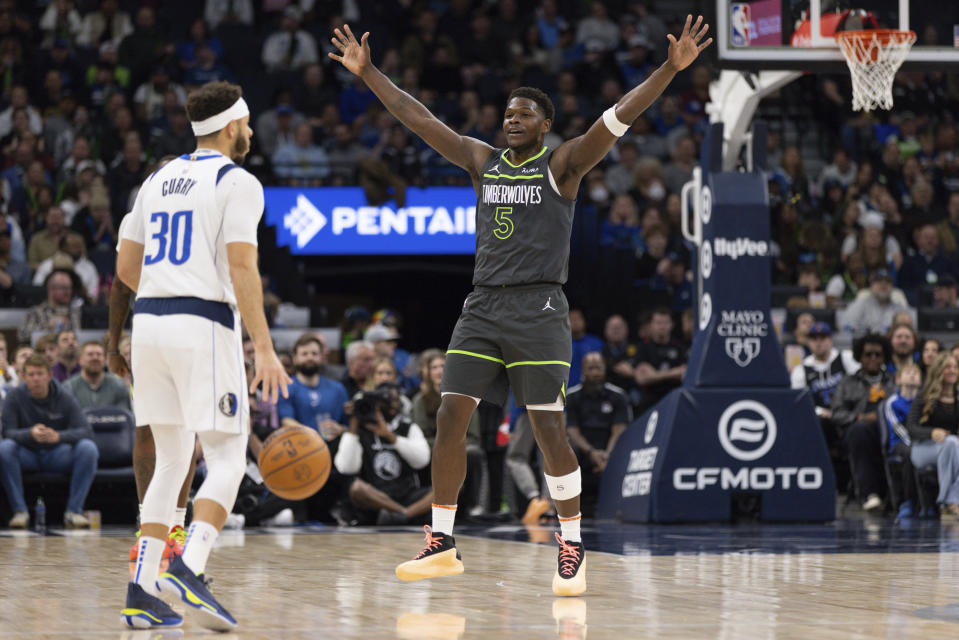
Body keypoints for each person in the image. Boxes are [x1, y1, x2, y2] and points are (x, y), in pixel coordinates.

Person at [330, 15, 711, 595]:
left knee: (549, 428)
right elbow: (419, 118)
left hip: (539, 309)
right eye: (507, 113)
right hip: (482, 306)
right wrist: (369, 73)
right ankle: (442, 541)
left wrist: (669, 68)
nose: (511, 119)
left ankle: (572, 541)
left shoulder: (563, 164)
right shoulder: (482, 161)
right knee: (448, 415)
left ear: (546, 125)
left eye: (524, 114)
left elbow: (621, 117)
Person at [115, 81, 290, 630]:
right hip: (203, 323)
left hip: (149, 325)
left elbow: (124, 269)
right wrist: (263, 347)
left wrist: (167, 285)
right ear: (232, 126)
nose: (251, 132)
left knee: (171, 460)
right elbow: (242, 268)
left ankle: (142, 591)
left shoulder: (158, 178)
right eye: (247, 124)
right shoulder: (237, 181)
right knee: (229, 458)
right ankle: (188, 568)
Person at [0, 353, 98, 529]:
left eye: (40, 374)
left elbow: (86, 431)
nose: (36, 379)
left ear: (49, 375)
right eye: (31, 374)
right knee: (5, 448)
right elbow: (8, 433)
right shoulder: (14, 397)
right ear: (23, 376)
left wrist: (59, 436)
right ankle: (20, 512)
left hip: (57, 454)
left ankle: (73, 511)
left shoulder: (65, 397)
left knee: (88, 448)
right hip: (26, 455)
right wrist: (29, 433)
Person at [334, 382, 432, 526]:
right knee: (357, 488)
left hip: (407, 494)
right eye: (387, 402)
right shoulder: (360, 431)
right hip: (376, 499)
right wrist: (353, 425)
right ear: (376, 404)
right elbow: (346, 468)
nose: (392, 405)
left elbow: (422, 460)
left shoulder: (408, 428)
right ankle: (403, 514)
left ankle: (403, 514)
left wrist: (389, 436)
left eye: (396, 400)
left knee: (447, 490)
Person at [411, 351, 485, 515]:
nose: (439, 371)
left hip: (461, 448)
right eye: (434, 367)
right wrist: (446, 447)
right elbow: (420, 436)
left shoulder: (465, 397)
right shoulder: (420, 400)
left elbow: (473, 437)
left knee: (474, 452)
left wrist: (453, 447)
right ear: (428, 373)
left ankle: (473, 505)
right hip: (431, 449)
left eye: (443, 366)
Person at [830, 334, 896, 512]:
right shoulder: (847, 382)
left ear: (885, 358)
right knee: (860, 430)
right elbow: (836, 413)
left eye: (877, 354)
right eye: (868, 354)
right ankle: (869, 494)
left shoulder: (893, 382)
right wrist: (859, 418)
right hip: (857, 433)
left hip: (889, 431)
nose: (873, 358)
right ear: (859, 357)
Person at [790, 322, 858, 486]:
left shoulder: (845, 358)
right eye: (814, 338)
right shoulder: (802, 369)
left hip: (847, 414)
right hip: (820, 419)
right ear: (808, 342)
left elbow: (860, 385)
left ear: (831, 340)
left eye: (823, 338)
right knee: (816, 424)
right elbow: (799, 403)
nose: (819, 342)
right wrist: (820, 412)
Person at [565, 352, 630, 517]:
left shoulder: (618, 395)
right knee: (565, 449)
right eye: (590, 368)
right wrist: (591, 452)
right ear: (582, 371)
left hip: (610, 449)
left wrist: (607, 455)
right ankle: (563, 506)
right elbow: (572, 430)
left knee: (626, 446)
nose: (595, 373)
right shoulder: (572, 396)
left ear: (605, 370)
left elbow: (619, 429)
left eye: (598, 368)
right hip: (583, 450)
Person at [907, 353, 959, 520]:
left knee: (952, 444)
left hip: (952, 448)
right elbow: (911, 428)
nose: (952, 371)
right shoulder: (924, 396)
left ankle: (950, 504)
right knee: (951, 443)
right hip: (924, 448)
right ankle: (947, 502)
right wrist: (931, 432)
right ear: (938, 370)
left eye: (955, 367)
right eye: (947, 367)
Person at [882, 363, 921, 519]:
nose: (912, 375)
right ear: (898, 379)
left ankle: (931, 503)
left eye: (916, 373)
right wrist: (911, 442)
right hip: (899, 443)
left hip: (920, 441)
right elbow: (897, 426)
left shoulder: (923, 399)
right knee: (910, 454)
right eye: (908, 372)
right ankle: (907, 501)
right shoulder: (892, 402)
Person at [633, 307, 686, 415]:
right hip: (650, 399)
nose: (662, 326)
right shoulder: (643, 347)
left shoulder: (680, 347)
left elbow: (684, 374)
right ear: (651, 325)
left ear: (672, 325)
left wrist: (654, 375)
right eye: (658, 323)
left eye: (665, 323)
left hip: (674, 397)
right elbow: (641, 379)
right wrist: (673, 373)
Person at [18, 269, 81, 345]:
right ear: (51, 289)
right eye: (64, 288)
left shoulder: (75, 312)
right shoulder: (35, 312)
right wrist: (47, 327)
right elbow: (22, 335)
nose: (68, 292)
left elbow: (83, 337)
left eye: (70, 288)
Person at [62, 341, 131, 410]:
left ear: (104, 360)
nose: (95, 358)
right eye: (90, 354)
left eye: (99, 354)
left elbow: (124, 416)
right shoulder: (69, 388)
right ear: (80, 360)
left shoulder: (118, 386)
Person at [843, 269, 910, 336]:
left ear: (892, 287)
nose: (884, 284)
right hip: (865, 343)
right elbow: (847, 328)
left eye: (888, 281)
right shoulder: (860, 304)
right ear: (871, 286)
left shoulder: (899, 308)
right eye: (879, 280)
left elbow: (909, 330)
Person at [568, 308, 604, 388]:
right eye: (571, 319)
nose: (575, 322)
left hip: (592, 388)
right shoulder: (561, 345)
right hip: (567, 390)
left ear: (584, 321)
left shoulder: (596, 343)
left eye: (578, 318)